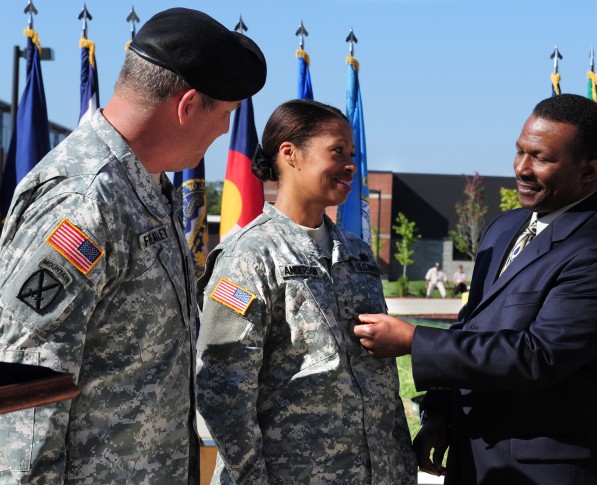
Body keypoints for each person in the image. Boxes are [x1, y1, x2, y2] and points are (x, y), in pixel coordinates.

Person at [0, 8, 266, 484]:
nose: (226, 131)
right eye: (224, 114)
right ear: (186, 106)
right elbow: (28, 387)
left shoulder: (142, 184)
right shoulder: (85, 200)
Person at [352, 94, 597, 484]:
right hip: (476, 461)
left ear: (589, 172)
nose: (521, 168)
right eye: (520, 152)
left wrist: (413, 341)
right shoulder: (505, 228)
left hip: (551, 472)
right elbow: (471, 326)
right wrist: (439, 413)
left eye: (541, 158)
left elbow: (537, 358)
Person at [196, 99, 416, 484]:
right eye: (337, 151)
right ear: (289, 154)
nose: (350, 165)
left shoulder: (358, 254)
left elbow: (381, 377)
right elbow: (223, 389)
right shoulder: (248, 256)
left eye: (352, 153)